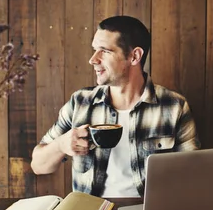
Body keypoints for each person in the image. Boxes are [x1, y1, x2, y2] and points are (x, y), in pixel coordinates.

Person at [31, 15, 200, 197]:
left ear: (134, 56)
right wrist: (60, 145)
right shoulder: (80, 103)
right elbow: (38, 166)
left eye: (104, 51)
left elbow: (193, 176)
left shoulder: (174, 106)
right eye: (95, 50)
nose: (93, 59)